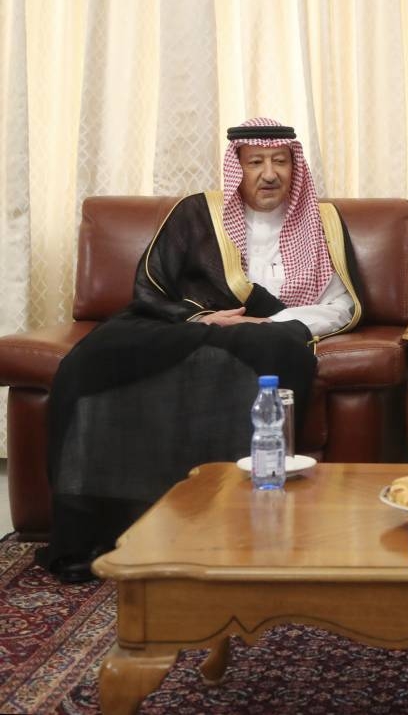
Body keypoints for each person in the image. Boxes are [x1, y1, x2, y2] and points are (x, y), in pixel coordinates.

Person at [38, 117, 363, 582]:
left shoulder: (322, 223)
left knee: (269, 346)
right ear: (237, 168)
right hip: (190, 326)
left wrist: (270, 323)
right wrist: (199, 318)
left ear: (295, 167)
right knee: (97, 353)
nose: (269, 174)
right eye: (255, 163)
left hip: (271, 334)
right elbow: (151, 287)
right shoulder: (197, 214)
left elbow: (341, 306)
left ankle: (230, 527)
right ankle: (106, 527)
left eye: (280, 161)